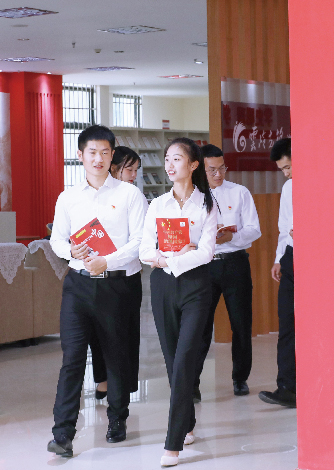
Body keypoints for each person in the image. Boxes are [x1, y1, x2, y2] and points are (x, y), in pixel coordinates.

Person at [47, 126, 146, 458]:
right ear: (80, 155)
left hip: (117, 285)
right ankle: (63, 433)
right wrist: (70, 252)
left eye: (105, 152)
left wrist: (108, 261)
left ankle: (117, 419)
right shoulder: (68, 197)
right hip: (78, 285)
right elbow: (57, 239)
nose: (98, 159)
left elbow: (139, 242)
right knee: (72, 358)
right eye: (92, 152)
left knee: (117, 355)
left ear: (112, 155)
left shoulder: (129, 195)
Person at [139, 137, 217, 467]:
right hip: (163, 286)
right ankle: (187, 422)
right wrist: (169, 258)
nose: (169, 165)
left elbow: (206, 252)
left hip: (197, 286)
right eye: (167, 159)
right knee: (173, 361)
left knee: (185, 358)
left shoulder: (206, 205)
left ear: (193, 165)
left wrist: (172, 258)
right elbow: (145, 250)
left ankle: (172, 444)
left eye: (177, 159)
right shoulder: (157, 205)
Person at [194, 144, 261, 400]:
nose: (218, 174)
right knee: (200, 326)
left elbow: (254, 229)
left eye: (222, 168)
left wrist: (230, 237)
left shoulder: (239, 192)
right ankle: (193, 382)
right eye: (212, 170)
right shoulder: (193, 195)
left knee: (241, 322)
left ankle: (240, 378)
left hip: (235, 263)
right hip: (204, 266)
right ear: (200, 169)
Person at [90, 146, 146, 401]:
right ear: (114, 168)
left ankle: (123, 386)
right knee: (97, 333)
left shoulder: (135, 197)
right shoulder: (96, 194)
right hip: (97, 274)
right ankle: (102, 380)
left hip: (125, 276)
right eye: (129, 169)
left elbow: (139, 240)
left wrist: (110, 259)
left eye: (136, 170)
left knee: (125, 334)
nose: (133, 175)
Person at [258, 137, 295, 408]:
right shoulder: (288, 188)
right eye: (282, 169)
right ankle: (287, 387)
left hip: (320, 260)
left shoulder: (325, 182)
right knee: (287, 323)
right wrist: (278, 259)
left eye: (289, 167)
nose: (286, 173)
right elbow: (284, 229)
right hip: (292, 257)